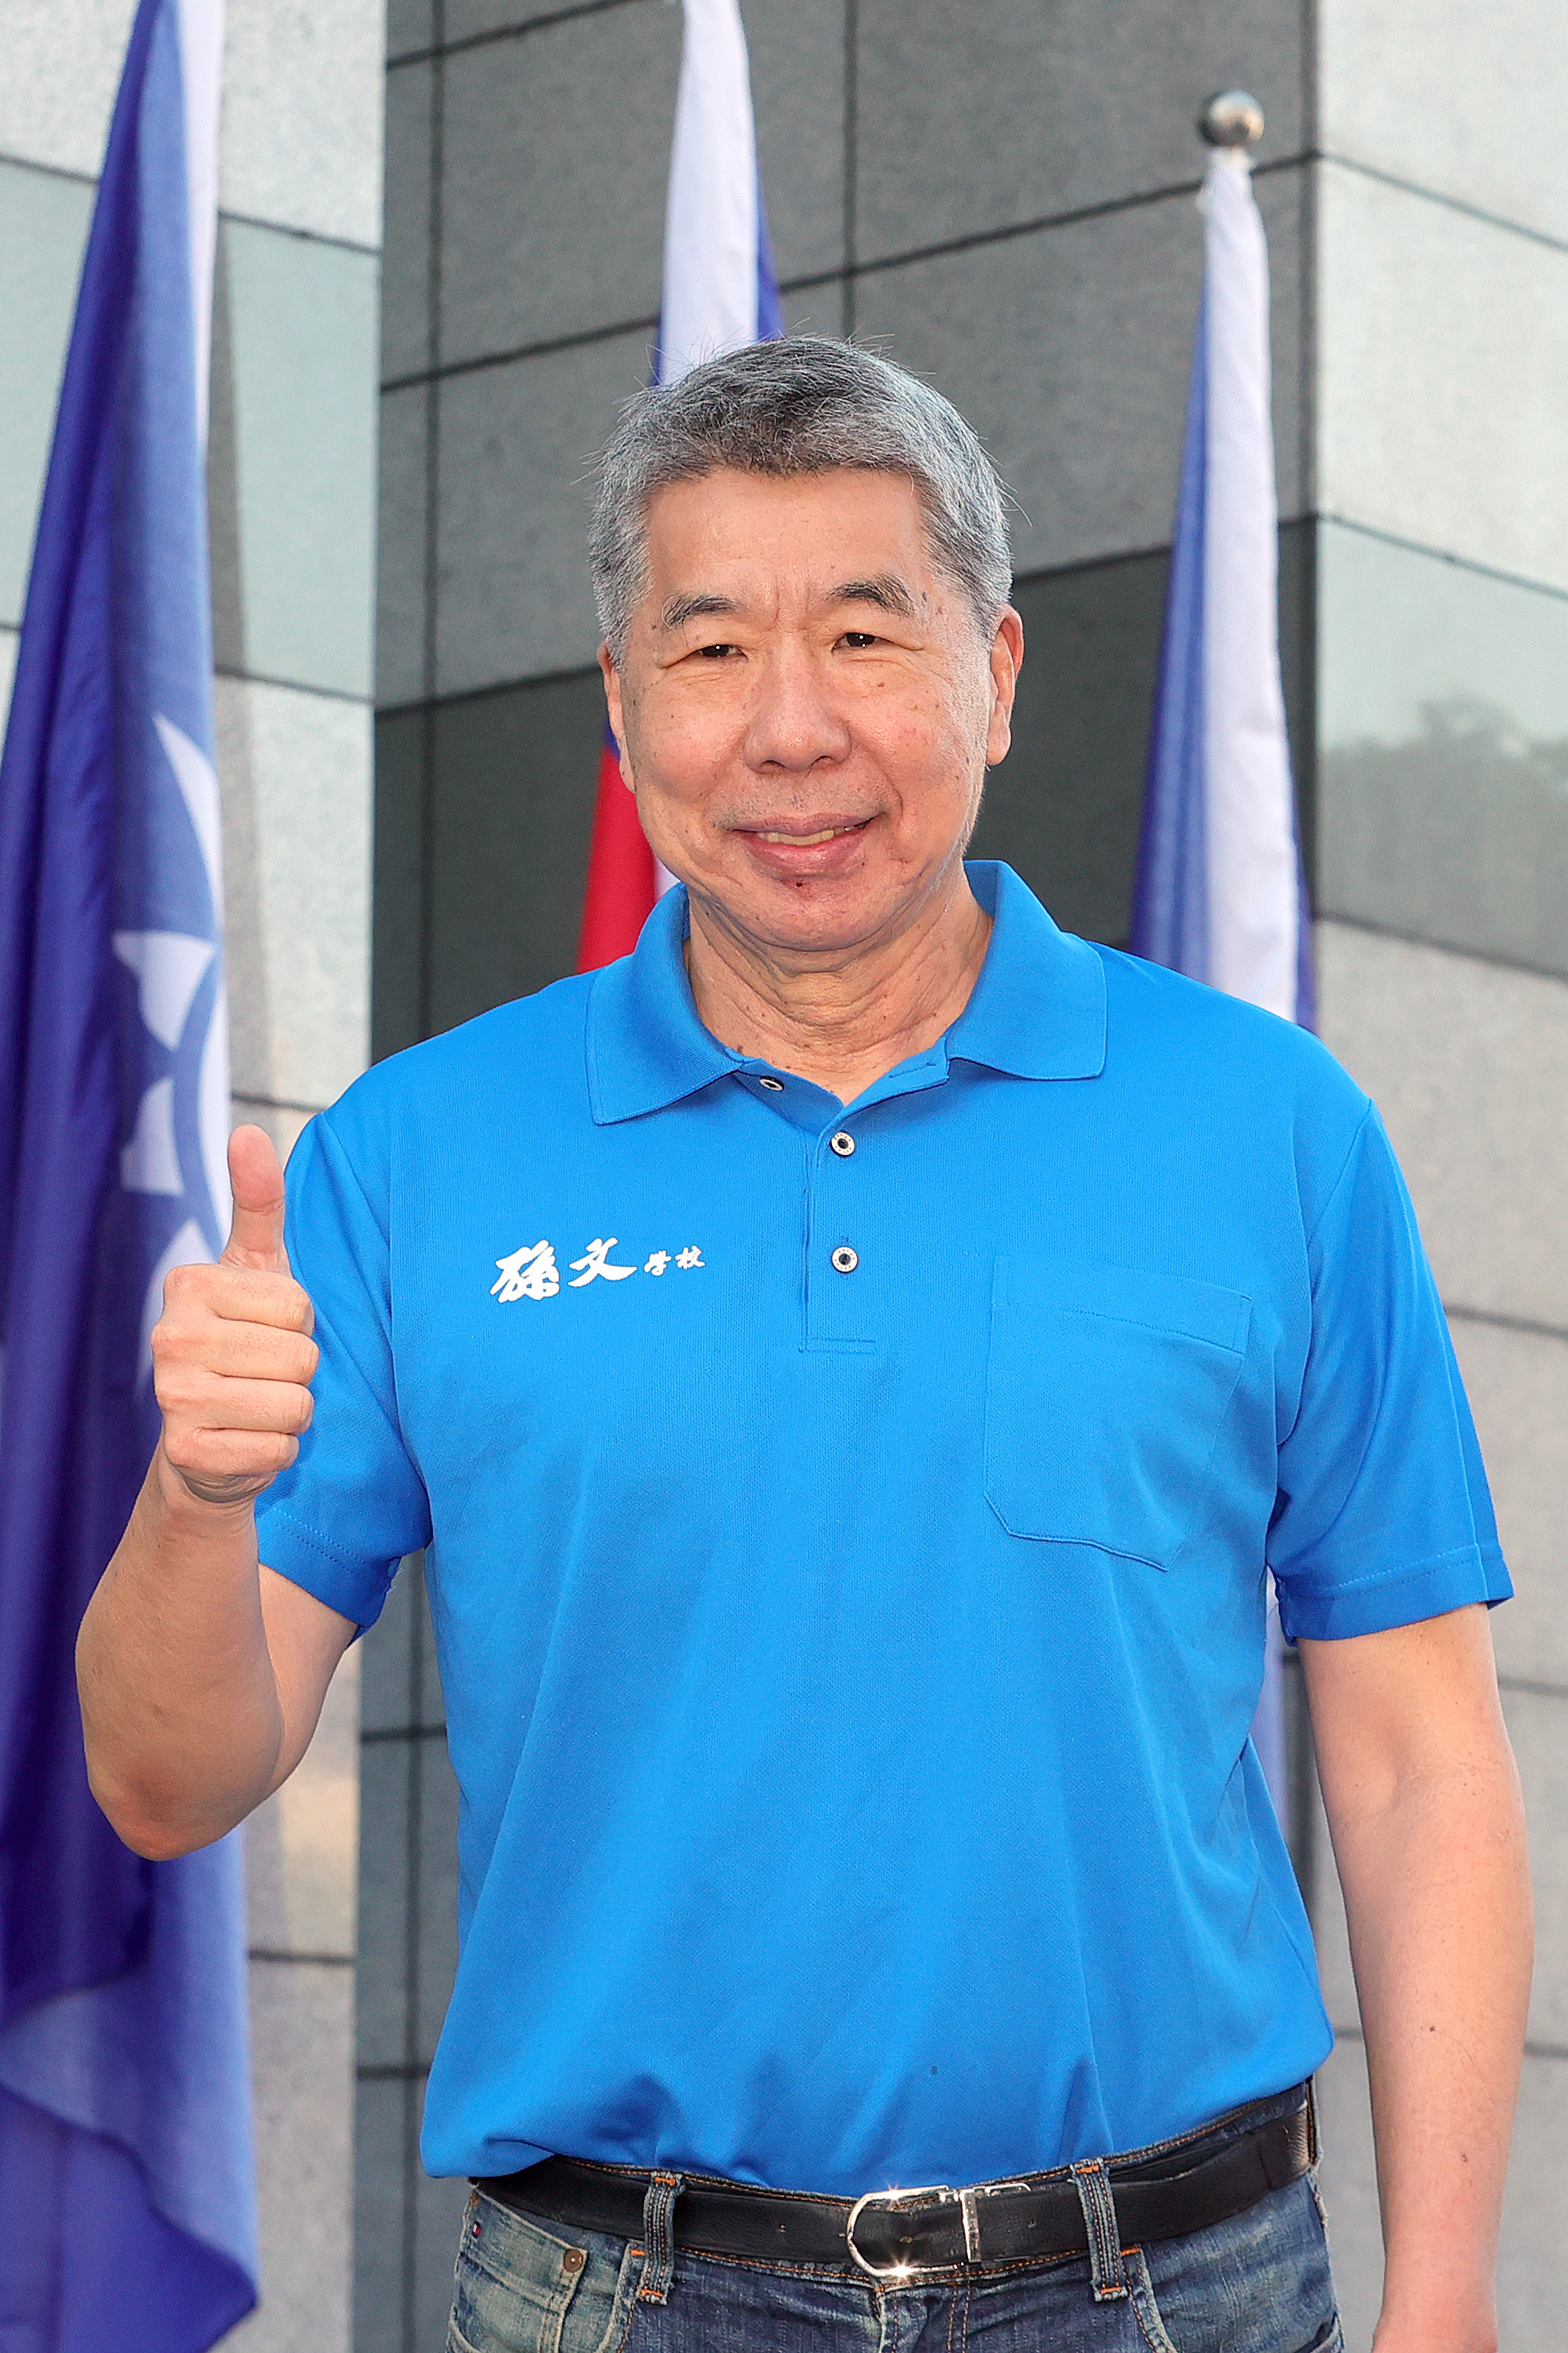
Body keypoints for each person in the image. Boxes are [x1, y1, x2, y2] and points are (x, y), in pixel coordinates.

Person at [79, 339, 1530, 2353]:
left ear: (995, 676)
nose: (788, 727)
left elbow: (1416, 1754)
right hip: (612, 2295)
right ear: (620, 707)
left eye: (863, 633)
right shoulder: (412, 1154)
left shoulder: (1270, 1124)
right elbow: (164, 1779)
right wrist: (192, 1493)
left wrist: (1444, 2288)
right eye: (708, 650)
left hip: (1174, 2288)